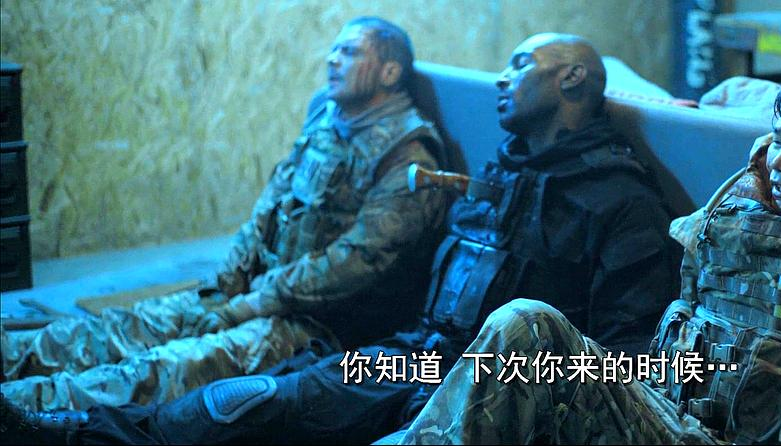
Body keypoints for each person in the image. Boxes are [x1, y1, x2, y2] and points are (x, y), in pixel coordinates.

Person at [1, 33, 681, 444]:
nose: (503, 77)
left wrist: (498, 380)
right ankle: (75, 433)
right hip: (411, 361)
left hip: (491, 385)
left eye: (520, 63)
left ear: (571, 78)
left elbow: (628, 368)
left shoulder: (621, 201)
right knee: (248, 400)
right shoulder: (499, 176)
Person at [395, 65, 781, 444]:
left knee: (528, 325)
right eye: (777, 140)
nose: (778, 162)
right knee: (522, 350)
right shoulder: (734, 218)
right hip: (670, 419)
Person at [1, 17, 449, 412]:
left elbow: (359, 260)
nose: (332, 59)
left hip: (323, 327)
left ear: (390, 72)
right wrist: (230, 283)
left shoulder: (409, 155)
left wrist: (254, 303)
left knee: (159, 370)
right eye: (334, 49)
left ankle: (23, 411)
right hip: (259, 292)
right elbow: (268, 209)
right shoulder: (327, 120)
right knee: (125, 326)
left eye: (349, 52)